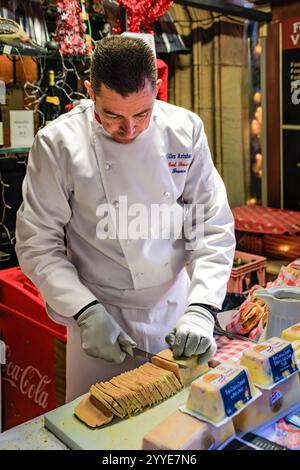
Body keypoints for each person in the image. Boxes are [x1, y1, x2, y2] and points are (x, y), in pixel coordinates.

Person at [15, 35, 235, 402]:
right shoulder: (58, 144)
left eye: (142, 113)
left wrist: (202, 308)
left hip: (175, 313)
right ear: (90, 92)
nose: (129, 129)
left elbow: (211, 223)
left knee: (177, 434)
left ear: (157, 90)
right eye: (112, 114)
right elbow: (38, 243)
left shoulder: (185, 130)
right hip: (101, 320)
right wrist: (84, 311)